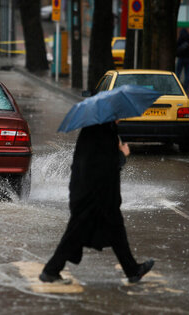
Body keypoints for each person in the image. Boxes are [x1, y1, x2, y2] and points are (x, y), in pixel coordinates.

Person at [39, 122, 154, 284]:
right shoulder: (102, 132)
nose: (121, 118)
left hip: (94, 193)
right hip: (94, 196)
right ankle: (50, 271)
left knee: (114, 231)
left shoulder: (97, 129)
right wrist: (122, 154)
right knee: (76, 233)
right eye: (118, 114)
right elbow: (105, 167)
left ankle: (132, 270)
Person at [175, 28, 189, 93]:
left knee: (178, 73)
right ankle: (186, 89)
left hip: (181, 58)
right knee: (187, 75)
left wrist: (178, 54)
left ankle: (177, 88)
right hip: (188, 58)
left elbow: (176, 47)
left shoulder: (180, 38)